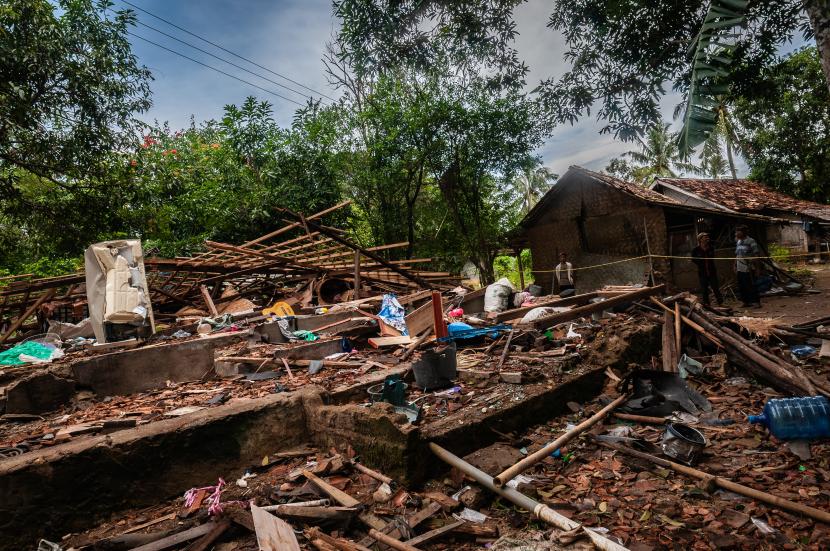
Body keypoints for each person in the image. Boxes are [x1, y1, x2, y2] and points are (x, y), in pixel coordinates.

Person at [691, 232, 723, 307]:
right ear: (700, 239)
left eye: (707, 237)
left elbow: (712, 258)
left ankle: (720, 302)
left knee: (715, 287)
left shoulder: (711, 248)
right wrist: (700, 261)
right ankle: (707, 304)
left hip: (711, 271)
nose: (707, 238)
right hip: (702, 272)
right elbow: (693, 259)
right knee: (704, 289)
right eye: (705, 237)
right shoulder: (696, 250)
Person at [734, 225, 761, 307]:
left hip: (748, 267)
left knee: (751, 285)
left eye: (739, 231)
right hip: (739, 267)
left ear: (744, 232)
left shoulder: (751, 241)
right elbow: (736, 255)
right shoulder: (738, 242)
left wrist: (757, 269)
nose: (736, 233)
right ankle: (745, 301)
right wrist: (734, 265)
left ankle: (756, 302)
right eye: (736, 231)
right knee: (742, 285)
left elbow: (756, 255)